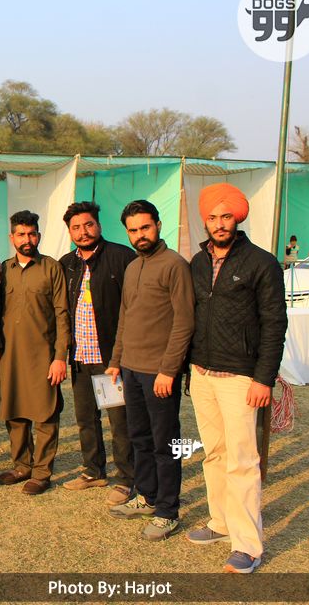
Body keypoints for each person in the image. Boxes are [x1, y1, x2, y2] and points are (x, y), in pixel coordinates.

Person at [186, 183, 287, 574]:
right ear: (205, 221)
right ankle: (221, 522)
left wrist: (264, 379)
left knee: (243, 461)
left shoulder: (261, 263)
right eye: (213, 217)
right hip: (202, 372)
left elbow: (275, 323)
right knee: (214, 453)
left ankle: (248, 545)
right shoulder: (197, 263)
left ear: (237, 218)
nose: (219, 224)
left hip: (241, 377)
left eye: (226, 216)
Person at [105, 200, 194, 541]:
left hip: (159, 373)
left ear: (158, 224)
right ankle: (147, 496)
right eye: (133, 230)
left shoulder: (175, 265)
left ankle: (168, 511)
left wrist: (169, 370)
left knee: (165, 442)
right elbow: (125, 317)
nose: (140, 235)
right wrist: (116, 360)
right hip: (130, 369)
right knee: (139, 438)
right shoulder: (132, 267)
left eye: (145, 227)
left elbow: (184, 322)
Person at [58, 202, 136, 506]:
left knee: (119, 421)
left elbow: (133, 307)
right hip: (80, 357)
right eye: (76, 227)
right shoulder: (67, 264)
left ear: (98, 225)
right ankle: (93, 471)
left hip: (110, 358)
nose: (83, 232)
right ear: (69, 232)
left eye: (88, 225)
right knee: (85, 418)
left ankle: (126, 479)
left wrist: (122, 355)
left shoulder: (121, 257)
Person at [0, 211, 70, 495]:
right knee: (13, 411)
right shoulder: (3, 269)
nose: (27, 239)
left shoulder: (52, 268)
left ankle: (41, 473)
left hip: (43, 356)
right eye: (21, 234)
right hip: (9, 355)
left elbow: (62, 314)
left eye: (32, 234)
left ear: (39, 235)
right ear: (11, 237)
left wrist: (60, 357)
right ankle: (22, 466)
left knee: (45, 413)